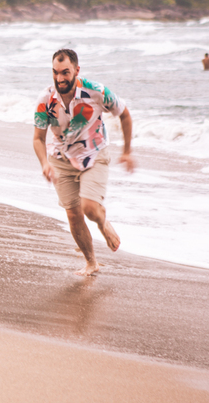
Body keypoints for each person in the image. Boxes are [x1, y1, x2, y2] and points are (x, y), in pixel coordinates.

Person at [33, 49, 134, 276]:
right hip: (60, 159)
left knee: (89, 209)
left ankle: (102, 221)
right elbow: (38, 139)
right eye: (56, 73)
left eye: (65, 73)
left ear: (77, 70)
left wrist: (127, 151)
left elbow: (124, 114)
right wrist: (44, 164)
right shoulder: (45, 99)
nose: (60, 79)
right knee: (73, 213)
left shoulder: (96, 91)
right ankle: (91, 262)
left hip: (94, 154)